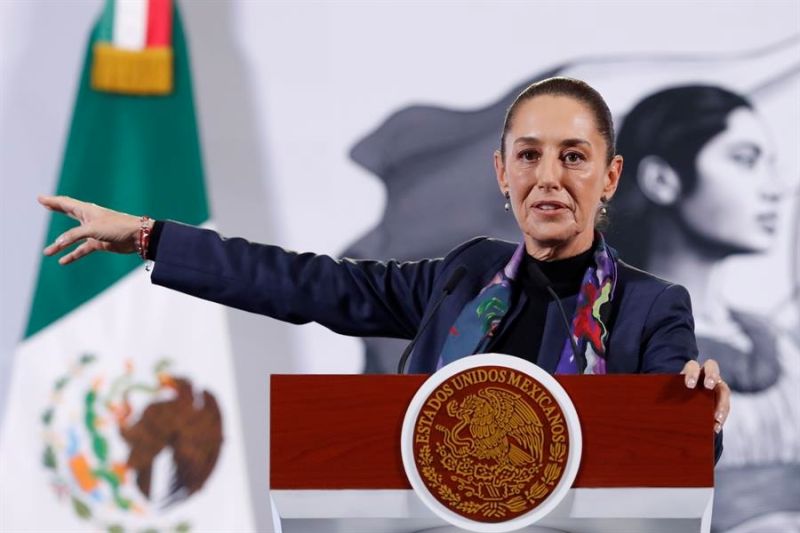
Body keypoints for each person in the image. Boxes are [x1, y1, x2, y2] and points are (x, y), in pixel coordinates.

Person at [39, 77, 730, 444]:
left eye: (573, 157)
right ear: (501, 172)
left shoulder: (651, 306)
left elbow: (672, 455)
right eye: (529, 155)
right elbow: (305, 283)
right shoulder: (461, 279)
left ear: (609, 178)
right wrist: (153, 237)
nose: (548, 176)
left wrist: (701, 415)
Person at [609, 85, 798, 531]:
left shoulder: (786, 347)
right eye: (745, 160)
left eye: (771, 165)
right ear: (663, 179)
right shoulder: (601, 343)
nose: (774, 189)